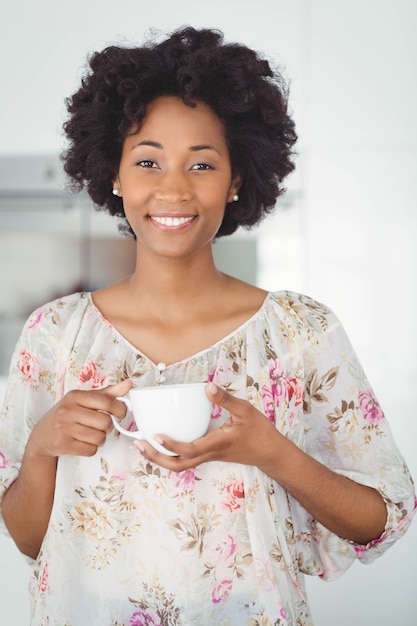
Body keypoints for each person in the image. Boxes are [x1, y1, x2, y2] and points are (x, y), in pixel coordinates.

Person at [0, 26, 415, 626]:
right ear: (114, 175)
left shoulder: (299, 331)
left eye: (202, 163)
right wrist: (41, 447)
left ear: (237, 178)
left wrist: (272, 452)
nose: (173, 188)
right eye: (147, 161)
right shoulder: (54, 335)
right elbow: (30, 541)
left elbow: (384, 519)